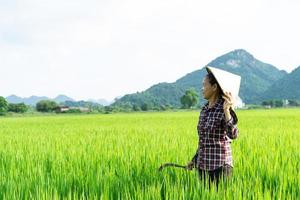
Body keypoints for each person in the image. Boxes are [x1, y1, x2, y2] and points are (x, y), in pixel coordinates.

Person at [186, 67, 239, 190]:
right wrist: (194, 160)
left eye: (204, 85)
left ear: (214, 87)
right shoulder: (204, 110)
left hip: (220, 167)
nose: (202, 88)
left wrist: (226, 110)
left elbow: (234, 134)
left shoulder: (225, 108)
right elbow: (204, 141)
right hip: (203, 166)